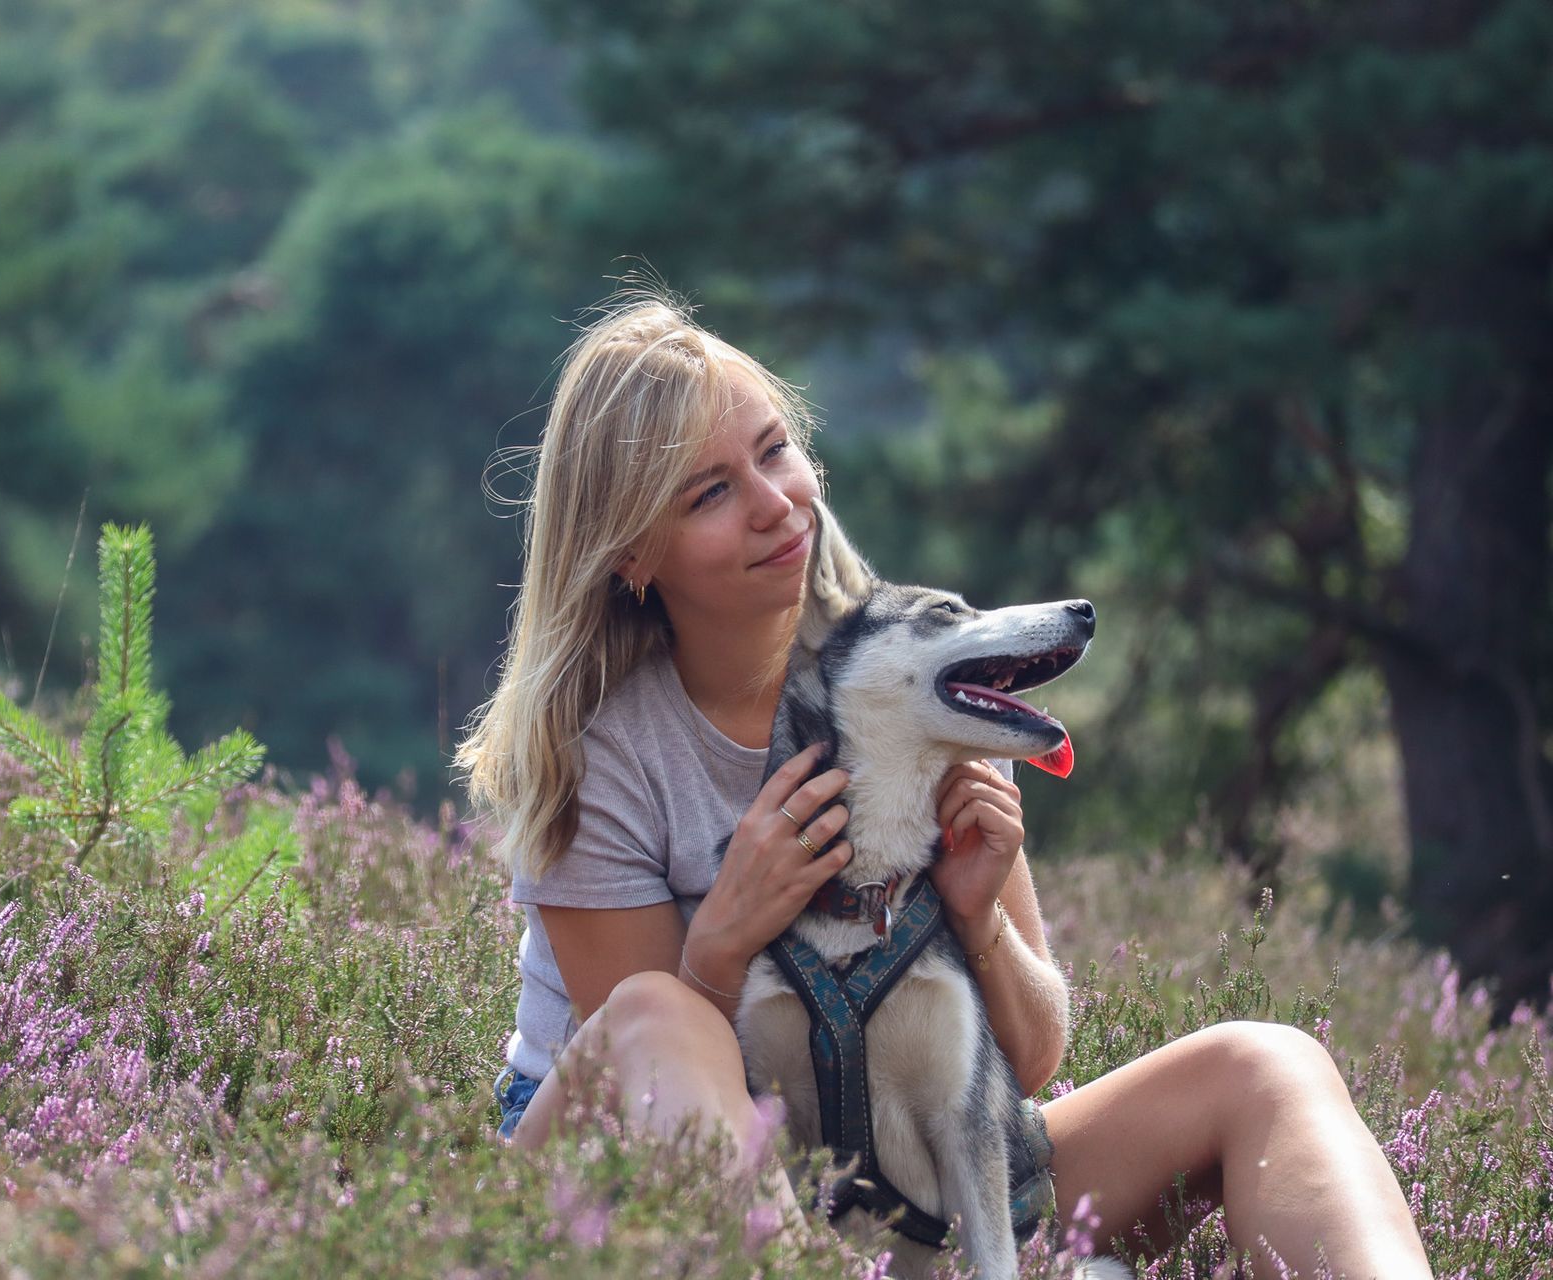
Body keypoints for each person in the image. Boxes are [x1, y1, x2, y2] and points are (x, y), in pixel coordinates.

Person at [454, 290, 1433, 1277]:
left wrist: (978, 921)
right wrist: (720, 943)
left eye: (775, 449)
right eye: (707, 492)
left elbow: (1032, 1058)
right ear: (632, 552)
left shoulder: (904, 676)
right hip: (623, 1201)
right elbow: (663, 1074)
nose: (773, 502)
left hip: (899, 1181)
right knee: (655, 1011)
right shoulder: (596, 752)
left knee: (1266, 1064)